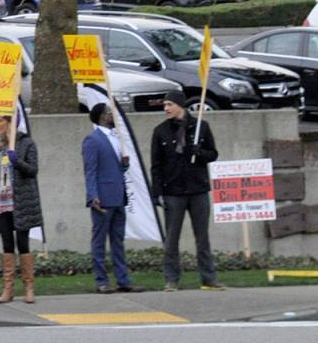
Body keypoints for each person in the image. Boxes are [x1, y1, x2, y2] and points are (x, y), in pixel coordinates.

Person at [150, 90, 225, 292]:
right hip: (173, 191)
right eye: (164, 105)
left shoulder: (201, 126)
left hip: (198, 189)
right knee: (171, 238)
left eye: (169, 104)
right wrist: (156, 192)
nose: (166, 109)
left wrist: (198, 152)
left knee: (202, 237)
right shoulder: (160, 131)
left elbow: (213, 154)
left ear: (180, 105)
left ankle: (208, 277)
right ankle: (171, 279)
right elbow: (156, 165)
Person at [81, 104, 145, 294]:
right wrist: (93, 196)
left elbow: (117, 168)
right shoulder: (92, 140)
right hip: (102, 198)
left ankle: (123, 280)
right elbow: (90, 170)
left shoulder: (116, 138)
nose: (112, 116)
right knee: (99, 241)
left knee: (118, 241)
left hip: (118, 196)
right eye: (110, 113)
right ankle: (101, 281)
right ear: (101, 117)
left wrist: (124, 165)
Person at [0, 114, 42, 304]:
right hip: (1, 201)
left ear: (10, 123)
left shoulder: (27, 143)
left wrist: (18, 162)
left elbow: (33, 170)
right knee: (7, 243)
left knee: (22, 243)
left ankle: (29, 287)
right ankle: (8, 288)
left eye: (0, 120)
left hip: (21, 202)